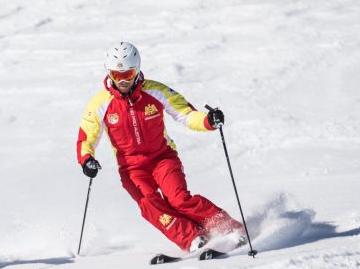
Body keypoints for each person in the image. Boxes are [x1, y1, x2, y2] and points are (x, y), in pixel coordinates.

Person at [76, 42, 246, 253]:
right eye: (116, 74)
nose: (122, 81)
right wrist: (86, 159)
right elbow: (86, 136)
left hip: (162, 158)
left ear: (137, 70)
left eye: (127, 73)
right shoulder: (101, 103)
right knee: (150, 204)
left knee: (178, 199)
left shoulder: (156, 91)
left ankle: (228, 228)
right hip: (131, 169)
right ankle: (193, 237)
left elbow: (185, 114)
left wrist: (208, 121)